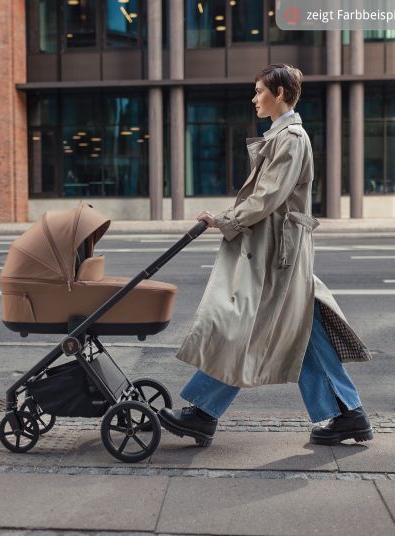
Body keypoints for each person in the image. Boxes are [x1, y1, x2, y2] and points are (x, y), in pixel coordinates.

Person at [158, 64, 373, 447]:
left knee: (244, 327)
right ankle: (348, 414)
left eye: (260, 91)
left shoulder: (290, 138)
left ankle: (204, 414)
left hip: (278, 254)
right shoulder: (281, 136)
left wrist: (224, 220)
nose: (255, 98)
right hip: (280, 251)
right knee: (302, 330)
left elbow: (267, 197)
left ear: (281, 94)